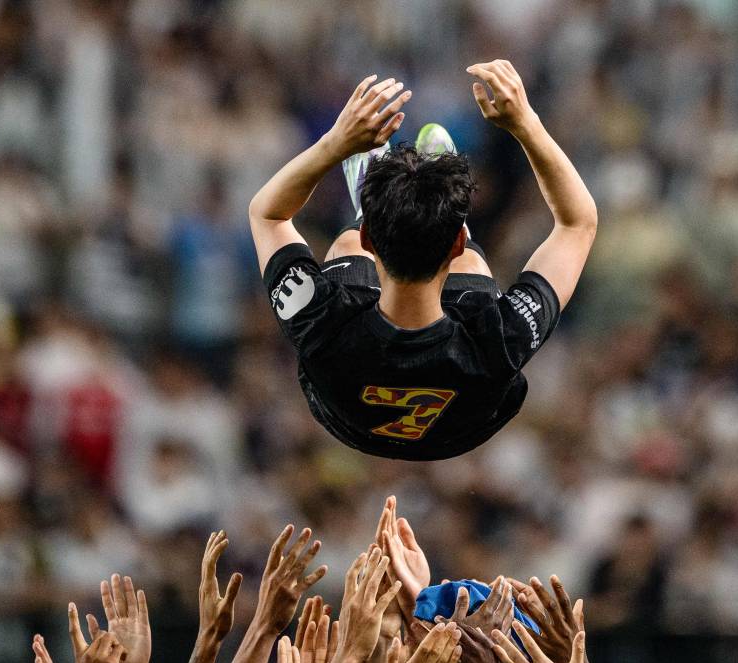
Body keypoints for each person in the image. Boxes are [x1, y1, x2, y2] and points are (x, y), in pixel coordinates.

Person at [248, 61, 598, 460]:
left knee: (344, 247)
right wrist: (526, 124)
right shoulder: (497, 338)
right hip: (460, 429)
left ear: (369, 239)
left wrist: (335, 144)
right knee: (471, 271)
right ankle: (430, 206)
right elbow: (577, 224)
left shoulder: (324, 323)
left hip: (353, 423)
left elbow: (268, 214)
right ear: (458, 241)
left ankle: (379, 207)